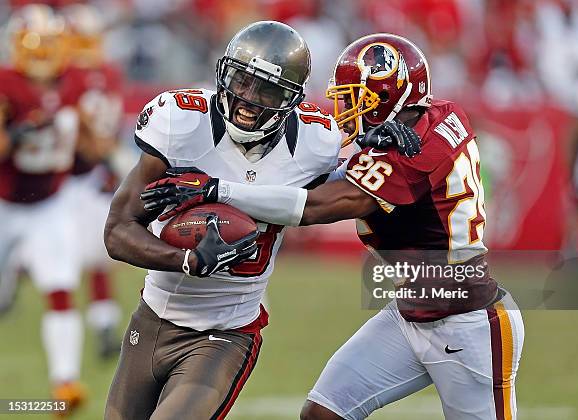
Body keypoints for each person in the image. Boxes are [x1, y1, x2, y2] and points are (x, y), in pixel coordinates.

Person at [143, 33, 525, 419]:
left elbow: (312, 207)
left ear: (384, 103)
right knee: (323, 414)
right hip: (410, 312)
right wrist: (369, 145)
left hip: (468, 323)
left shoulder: (412, 156)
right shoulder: (437, 114)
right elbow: (344, 176)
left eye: (356, 98)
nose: (343, 108)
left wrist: (217, 189)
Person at [104, 21, 415, 419]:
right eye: (240, 81)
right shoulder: (182, 123)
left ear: (291, 99)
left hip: (226, 332)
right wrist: (185, 260)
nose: (247, 98)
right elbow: (117, 231)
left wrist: (383, 140)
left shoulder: (315, 144)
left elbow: (346, 194)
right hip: (151, 318)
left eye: (266, 89)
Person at [0, 4, 85, 413]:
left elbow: (88, 141)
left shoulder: (74, 83)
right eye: (33, 46)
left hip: (50, 201)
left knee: (60, 286)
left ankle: (64, 384)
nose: (41, 55)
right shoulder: (5, 83)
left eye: (48, 45)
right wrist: (15, 133)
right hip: (3, 203)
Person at [60, 2, 125, 358]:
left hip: (65, 179)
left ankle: (96, 327)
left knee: (70, 260)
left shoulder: (68, 75)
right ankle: (102, 325)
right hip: (93, 176)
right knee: (95, 258)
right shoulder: (108, 72)